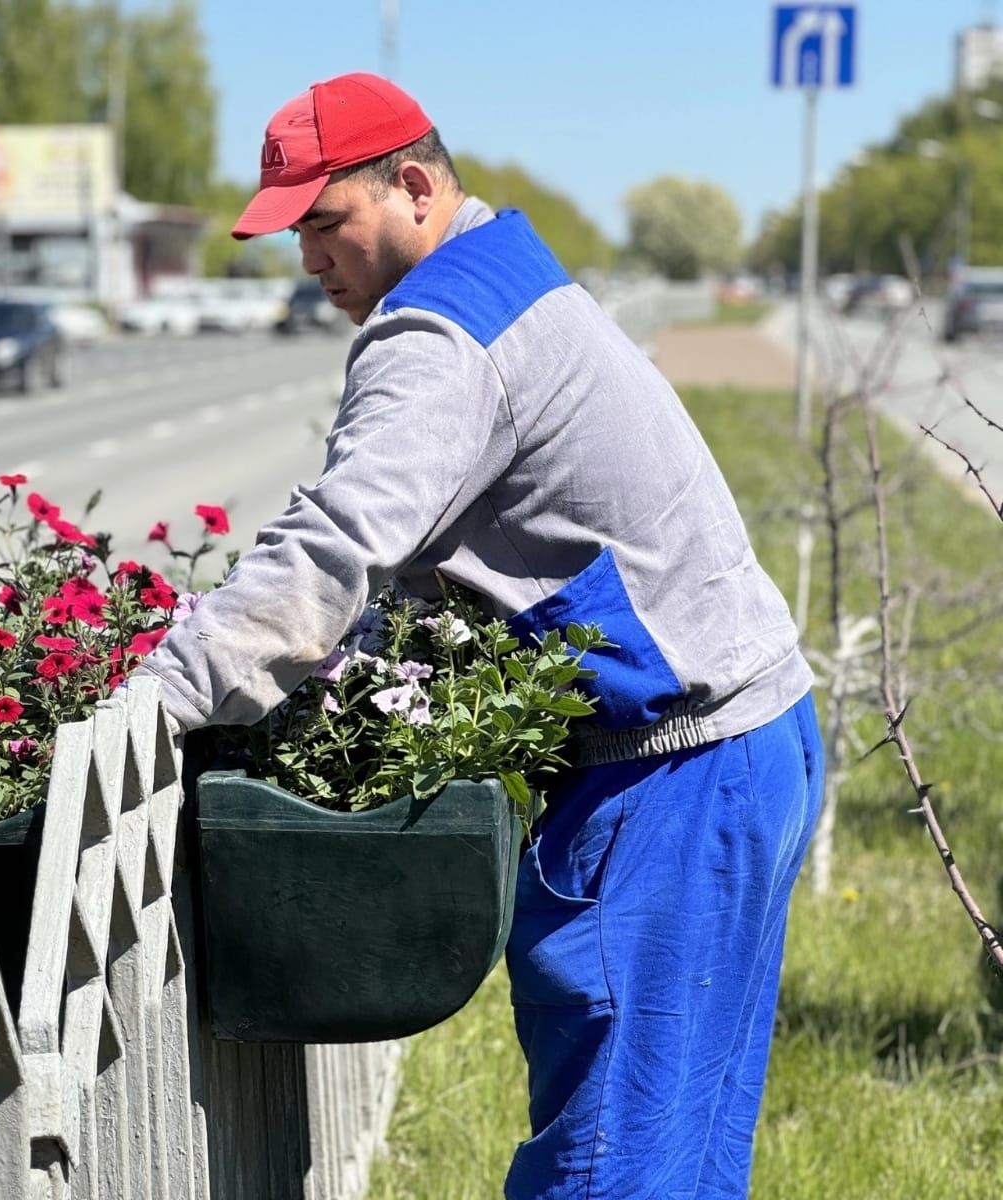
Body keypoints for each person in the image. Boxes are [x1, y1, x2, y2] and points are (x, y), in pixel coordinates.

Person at [132, 72, 823, 1198]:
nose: (308, 262)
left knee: (612, 1173)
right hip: (732, 746)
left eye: (323, 224)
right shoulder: (502, 271)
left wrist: (157, 697)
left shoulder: (436, 334)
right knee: (668, 1155)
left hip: (675, 783)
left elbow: (333, 548)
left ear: (411, 186)